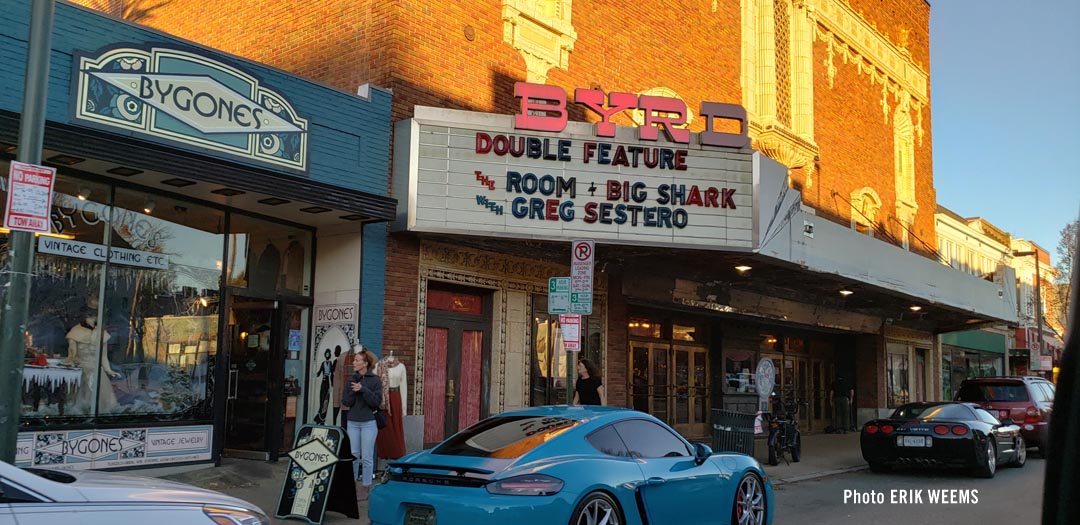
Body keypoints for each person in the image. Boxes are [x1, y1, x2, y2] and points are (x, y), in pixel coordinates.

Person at [341, 349, 382, 502]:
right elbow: (346, 402)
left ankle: (366, 487)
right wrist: (354, 390)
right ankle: (351, 486)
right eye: (354, 360)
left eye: (357, 360)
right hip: (352, 422)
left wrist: (363, 389)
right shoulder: (351, 379)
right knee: (353, 455)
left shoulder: (375, 380)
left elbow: (376, 402)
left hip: (368, 423)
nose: (354, 363)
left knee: (366, 457)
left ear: (365, 363)